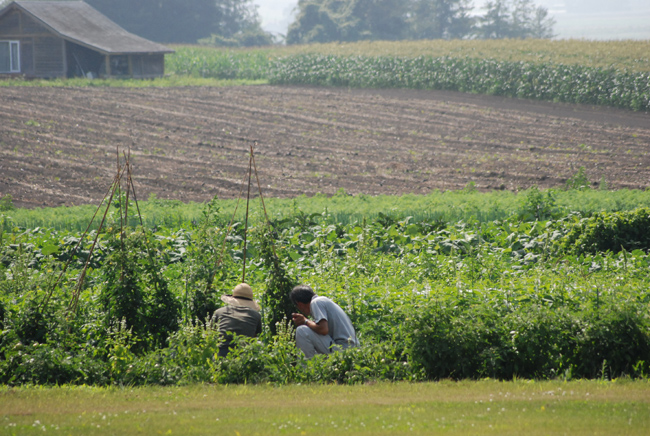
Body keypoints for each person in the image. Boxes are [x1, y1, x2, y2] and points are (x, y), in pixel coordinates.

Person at [290, 284, 359, 358]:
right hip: (352, 349)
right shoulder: (322, 300)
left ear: (299, 304)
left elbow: (323, 330)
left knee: (302, 330)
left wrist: (305, 321)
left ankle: (306, 368)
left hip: (344, 349)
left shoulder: (316, 302)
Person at [212, 283, 262, 357]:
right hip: (244, 357)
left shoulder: (219, 312)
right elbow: (255, 337)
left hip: (220, 354)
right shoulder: (256, 315)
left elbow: (211, 334)